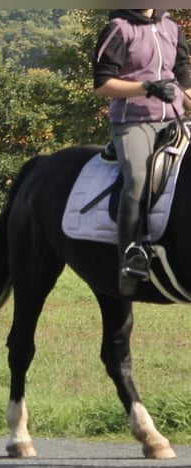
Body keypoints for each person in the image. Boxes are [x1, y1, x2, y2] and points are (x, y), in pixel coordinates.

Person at [92, 9, 191, 296]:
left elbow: (183, 80)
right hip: (133, 121)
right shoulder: (118, 28)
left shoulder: (172, 28)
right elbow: (102, 84)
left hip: (174, 120)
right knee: (137, 177)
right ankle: (130, 256)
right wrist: (146, 88)